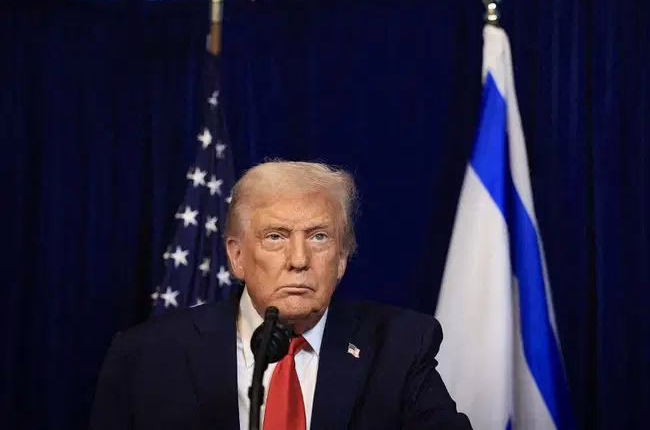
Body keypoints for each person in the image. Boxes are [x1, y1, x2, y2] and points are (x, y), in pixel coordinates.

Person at [90, 161, 471, 430]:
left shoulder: (399, 347)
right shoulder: (148, 357)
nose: (299, 260)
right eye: (276, 237)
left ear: (341, 259)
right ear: (237, 256)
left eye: (319, 237)